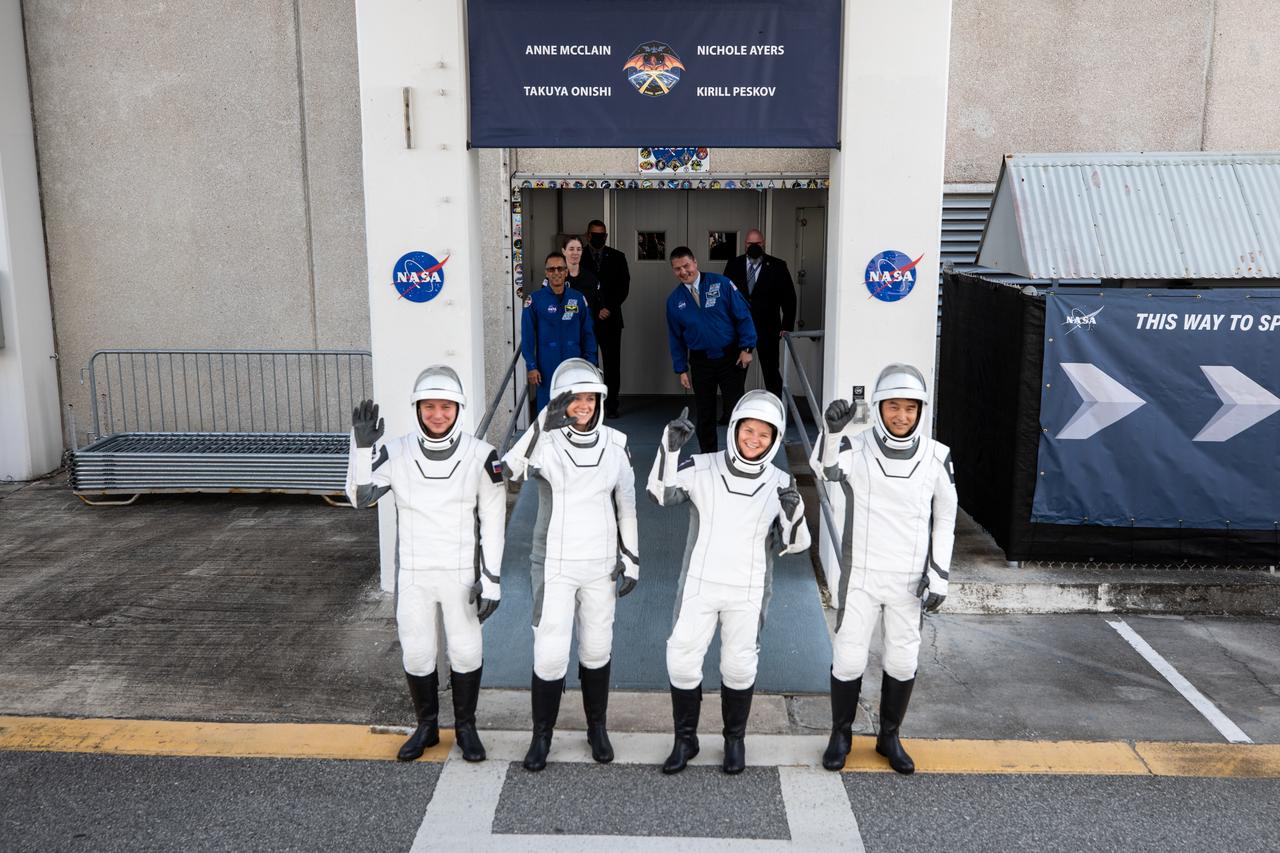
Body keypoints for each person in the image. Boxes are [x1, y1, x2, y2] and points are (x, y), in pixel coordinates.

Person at [345, 365, 505, 764]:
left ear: (458, 409)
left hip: (461, 574)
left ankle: (466, 729)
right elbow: (360, 498)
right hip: (415, 574)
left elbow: (494, 522)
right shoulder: (396, 452)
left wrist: (492, 579)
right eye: (429, 406)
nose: (437, 414)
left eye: (445, 407)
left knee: (466, 652)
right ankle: (427, 727)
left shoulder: (482, 455)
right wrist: (360, 449)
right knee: (417, 654)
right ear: (417, 408)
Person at [647, 390, 810, 775]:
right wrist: (669, 449)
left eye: (764, 434)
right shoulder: (702, 466)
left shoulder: (781, 481)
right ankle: (685, 740)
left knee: (739, 666)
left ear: (774, 439)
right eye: (748, 430)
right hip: (700, 584)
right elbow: (660, 494)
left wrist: (791, 515)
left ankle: (734, 740)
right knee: (681, 660)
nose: (754, 439)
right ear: (735, 427)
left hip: (748, 589)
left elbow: (797, 543)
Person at [808, 364, 957, 775]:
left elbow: (945, 518)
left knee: (903, 661)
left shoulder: (937, 456)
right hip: (862, 576)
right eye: (894, 406)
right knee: (848, 659)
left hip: (909, 582)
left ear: (920, 410)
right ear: (878, 407)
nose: (902, 416)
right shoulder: (856, 447)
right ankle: (841, 735)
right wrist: (831, 433)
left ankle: (889, 736)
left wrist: (940, 574)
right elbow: (825, 470)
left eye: (910, 408)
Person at [503, 358, 640, 772]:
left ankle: (597, 728)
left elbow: (627, 505)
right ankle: (541, 735)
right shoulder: (545, 442)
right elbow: (509, 469)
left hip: (601, 564)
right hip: (554, 564)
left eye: (590, 398)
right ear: (560, 402)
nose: (583, 405)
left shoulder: (616, 443)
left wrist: (632, 558)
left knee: (597, 649)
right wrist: (542, 421)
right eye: (573, 398)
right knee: (549, 654)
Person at [664, 246, 757, 453]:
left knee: (735, 411)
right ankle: (708, 456)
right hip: (701, 362)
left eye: (686, 265)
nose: (683, 272)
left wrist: (747, 348)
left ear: (695, 262)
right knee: (705, 413)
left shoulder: (721, 284)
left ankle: (739, 455)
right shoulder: (674, 301)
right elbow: (675, 338)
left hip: (730, 359)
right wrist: (681, 369)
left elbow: (743, 316)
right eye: (677, 268)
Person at [723, 229, 797, 399]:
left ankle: (777, 408)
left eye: (757, 243)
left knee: (771, 372)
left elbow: (789, 297)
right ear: (745, 244)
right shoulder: (733, 264)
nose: (753, 246)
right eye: (750, 243)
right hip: (740, 328)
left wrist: (787, 325)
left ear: (763, 244)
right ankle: (733, 409)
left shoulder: (778, 265)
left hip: (768, 328)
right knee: (736, 372)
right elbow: (725, 296)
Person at [522, 250, 597, 412]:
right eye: (551, 269)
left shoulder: (578, 298)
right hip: (546, 366)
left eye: (560, 268)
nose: (556, 272)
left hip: (574, 364)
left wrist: (590, 362)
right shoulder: (535, 300)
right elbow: (527, 337)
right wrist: (531, 366)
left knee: (574, 409)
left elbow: (588, 333)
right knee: (547, 412)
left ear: (566, 271)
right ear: (546, 273)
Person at [581, 220, 630, 419]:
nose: (599, 238)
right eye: (595, 235)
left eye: (602, 235)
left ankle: (611, 405)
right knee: (586, 363)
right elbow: (576, 287)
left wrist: (608, 308)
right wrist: (594, 310)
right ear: (588, 235)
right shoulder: (579, 256)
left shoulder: (618, 257)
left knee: (612, 365)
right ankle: (589, 405)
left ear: (606, 236)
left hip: (611, 319)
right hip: (586, 320)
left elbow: (623, 286)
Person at [562, 234, 601, 319]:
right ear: (564, 251)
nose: (575, 253)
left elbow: (595, 306)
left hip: (584, 325)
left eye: (578, 249)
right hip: (559, 325)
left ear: (582, 251)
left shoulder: (591, 278)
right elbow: (548, 305)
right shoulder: (555, 277)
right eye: (571, 249)